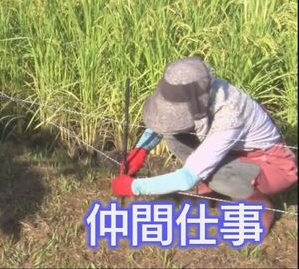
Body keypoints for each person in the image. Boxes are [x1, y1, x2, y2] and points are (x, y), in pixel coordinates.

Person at [111, 56, 298, 234]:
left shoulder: (230, 115)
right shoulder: (199, 93)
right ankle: (213, 189)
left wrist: (135, 186)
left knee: (215, 175)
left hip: (272, 167)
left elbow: (185, 179)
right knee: (173, 135)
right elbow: (165, 121)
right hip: (234, 153)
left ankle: (259, 205)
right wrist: (141, 149)